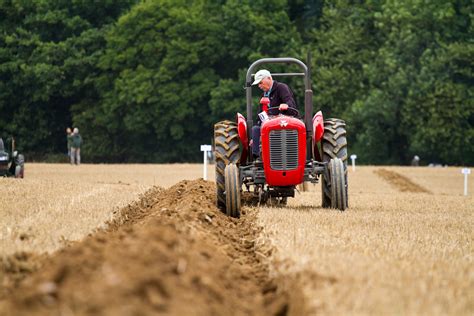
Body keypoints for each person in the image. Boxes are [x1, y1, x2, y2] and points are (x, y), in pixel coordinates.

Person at [250, 69, 296, 159]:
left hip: (284, 120)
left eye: (260, 83)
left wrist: (286, 105)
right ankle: (257, 158)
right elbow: (261, 114)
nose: (259, 86)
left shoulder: (281, 88)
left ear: (269, 78)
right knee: (255, 129)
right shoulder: (264, 95)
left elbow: (290, 102)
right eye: (258, 84)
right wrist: (254, 139)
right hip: (269, 123)